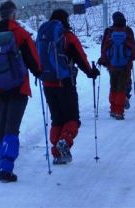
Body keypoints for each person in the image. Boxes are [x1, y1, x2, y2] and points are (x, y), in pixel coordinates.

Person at [0, 0, 41, 183]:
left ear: (0, 14)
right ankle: (6, 168)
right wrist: (39, 73)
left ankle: (3, 160)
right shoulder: (20, 33)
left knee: (1, 127)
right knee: (12, 128)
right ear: (13, 14)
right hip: (18, 89)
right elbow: (34, 61)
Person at [41, 9, 99, 164]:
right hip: (65, 83)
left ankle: (57, 153)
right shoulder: (68, 37)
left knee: (57, 119)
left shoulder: (44, 37)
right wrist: (91, 72)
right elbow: (81, 58)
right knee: (72, 118)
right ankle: (64, 142)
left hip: (47, 83)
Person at [98, 11, 135, 120]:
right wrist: (131, 58)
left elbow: (103, 48)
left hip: (112, 66)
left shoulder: (109, 31)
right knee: (121, 88)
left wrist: (104, 60)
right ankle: (119, 111)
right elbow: (133, 47)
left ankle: (113, 109)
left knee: (113, 87)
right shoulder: (128, 31)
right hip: (125, 66)